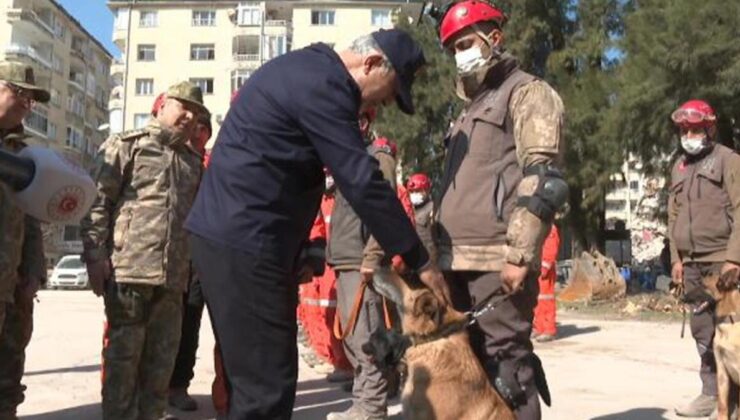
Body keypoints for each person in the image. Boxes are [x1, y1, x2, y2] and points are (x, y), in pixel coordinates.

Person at [185, 29, 448, 419]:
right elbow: (360, 179)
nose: (386, 103)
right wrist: (420, 261)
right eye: (390, 91)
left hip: (243, 241)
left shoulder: (308, 71)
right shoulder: (324, 85)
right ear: (372, 64)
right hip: (245, 243)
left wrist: (305, 248)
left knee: (258, 381)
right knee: (266, 388)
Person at [433, 2, 566, 419]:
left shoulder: (526, 92)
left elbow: (543, 179)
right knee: (469, 373)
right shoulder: (469, 111)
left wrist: (519, 253)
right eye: (453, 48)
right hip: (456, 259)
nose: (461, 55)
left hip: (496, 258)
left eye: (467, 43)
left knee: (507, 368)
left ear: (495, 37)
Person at [81, 81, 208, 420]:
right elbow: (97, 202)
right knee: (124, 361)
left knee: (161, 363)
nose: (189, 116)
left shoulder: (193, 160)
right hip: (129, 269)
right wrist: (95, 256)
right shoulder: (127, 146)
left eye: (196, 113)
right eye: (183, 106)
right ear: (164, 104)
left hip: (172, 277)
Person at [668, 99, 740, 419]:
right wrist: (676, 260)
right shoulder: (679, 167)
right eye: (685, 129)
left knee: (733, 332)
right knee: (702, 331)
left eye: (696, 129)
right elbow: (673, 217)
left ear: (710, 128)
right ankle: (710, 394)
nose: (689, 135)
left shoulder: (728, 160)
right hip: (692, 263)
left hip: (722, 260)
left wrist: (735, 259)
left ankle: (734, 401)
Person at [326, 128, 400, 419]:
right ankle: (364, 403)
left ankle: (371, 409)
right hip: (346, 262)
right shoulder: (349, 157)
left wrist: (373, 255)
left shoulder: (377, 157)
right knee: (354, 341)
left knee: (367, 340)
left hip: (361, 263)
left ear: (364, 122)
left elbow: (385, 208)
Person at [0, 60, 49, 419]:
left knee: (9, 368)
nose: (26, 105)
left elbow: (33, 216)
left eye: (32, 100)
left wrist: (33, 269)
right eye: (19, 93)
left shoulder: (25, 152)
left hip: (13, 281)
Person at [168, 112, 213, 411]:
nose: (198, 135)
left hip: (199, 260)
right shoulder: (170, 159)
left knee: (190, 325)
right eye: (194, 129)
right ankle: (153, 387)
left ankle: (178, 386)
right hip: (169, 257)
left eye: (204, 130)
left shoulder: (212, 165)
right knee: (163, 325)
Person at [532, 225, 560, 342]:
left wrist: (544, 267)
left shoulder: (550, 229)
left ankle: (549, 330)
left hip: (544, 270)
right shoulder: (541, 227)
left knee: (546, 300)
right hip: (537, 267)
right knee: (538, 300)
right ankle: (539, 327)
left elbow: (550, 249)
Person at [407, 172, 436, 262]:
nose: (414, 194)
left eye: (418, 191)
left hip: (431, 261)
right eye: (411, 191)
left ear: (427, 190)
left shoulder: (434, 208)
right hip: (413, 261)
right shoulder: (409, 210)